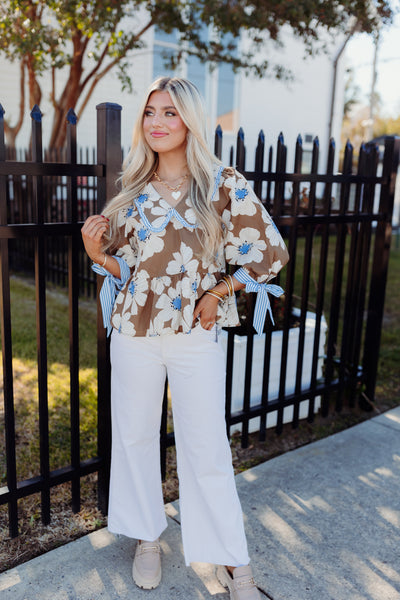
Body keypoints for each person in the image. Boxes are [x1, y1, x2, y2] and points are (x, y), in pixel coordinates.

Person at [81, 76, 289, 600]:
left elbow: (269, 253)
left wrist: (219, 292)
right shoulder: (131, 188)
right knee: (133, 437)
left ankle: (233, 562)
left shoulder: (222, 183)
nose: (156, 122)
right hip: (134, 331)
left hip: (195, 334)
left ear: (189, 120)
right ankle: (148, 537)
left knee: (207, 448)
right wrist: (96, 255)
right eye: (150, 112)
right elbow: (124, 268)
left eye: (169, 112)